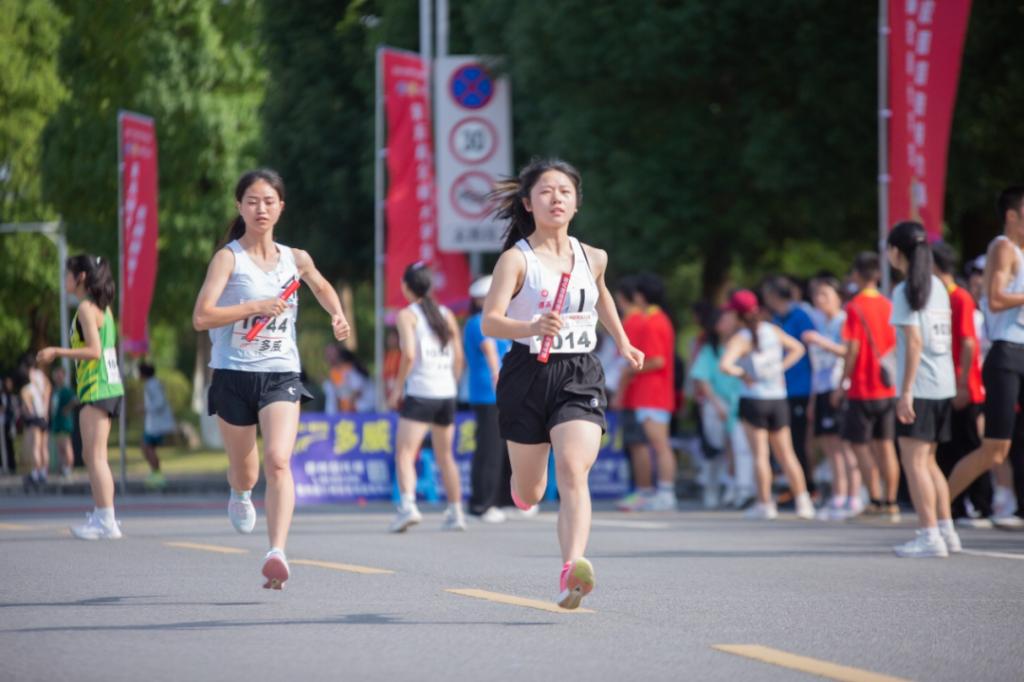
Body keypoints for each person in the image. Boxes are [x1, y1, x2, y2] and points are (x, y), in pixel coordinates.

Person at [482, 158, 644, 610]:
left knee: (573, 469)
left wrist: (623, 341)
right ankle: (521, 490)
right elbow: (491, 322)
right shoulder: (516, 260)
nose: (556, 198)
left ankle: (573, 567)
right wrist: (531, 326)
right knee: (532, 491)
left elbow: (601, 294)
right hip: (526, 373)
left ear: (576, 203)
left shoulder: (594, 257)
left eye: (565, 192)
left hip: (579, 373)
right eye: (546, 191)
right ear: (528, 203)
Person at [192, 169, 351, 589]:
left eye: (268, 201)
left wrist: (337, 314)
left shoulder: (295, 258)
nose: (260, 209)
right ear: (239, 206)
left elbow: (321, 287)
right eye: (252, 201)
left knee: (279, 460)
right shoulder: (228, 259)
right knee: (245, 471)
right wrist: (254, 306)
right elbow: (202, 317)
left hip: (281, 373)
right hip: (233, 374)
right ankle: (241, 492)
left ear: (281, 207)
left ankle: (276, 551)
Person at [947, 187, 1024, 520]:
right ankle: (936, 513)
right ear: (1012, 215)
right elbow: (995, 298)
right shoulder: (1003, 247)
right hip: (1007, 353)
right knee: (995, 449)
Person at [36, 254, 125, 539]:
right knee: (93, 455)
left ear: (81, 277)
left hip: (98, 388)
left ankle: (106, 520)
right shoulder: (102, 308)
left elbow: (94, 351)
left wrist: (56, 351)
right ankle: (103, 515)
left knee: (95, 457)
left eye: (68, 274)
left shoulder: (87, 308)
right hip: (105, 387)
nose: (65, 279)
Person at [887, 222, 961, 557]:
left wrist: (905, 392)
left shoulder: (905, 290)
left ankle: (929, 535)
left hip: (919, 386)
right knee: (929, 462)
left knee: (915, 463)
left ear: (895, 252)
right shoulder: (938, 286)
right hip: (943, 384)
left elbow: (914, 342)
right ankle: (946, 531)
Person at [719, 289, 815, 520]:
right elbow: (799, 348)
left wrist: (743, 374)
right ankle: (803, 501)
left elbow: (725, 365)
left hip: (754, 400)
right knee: (787, 454)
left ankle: (765, 504)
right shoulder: (772, 330)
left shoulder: (741, 338)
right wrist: (780, 368)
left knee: (760, 455)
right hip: (778, 399)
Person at [387, 262, 466, 533]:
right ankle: (456, 512)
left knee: (405, 453)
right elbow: (459, 357)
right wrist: (451, 383)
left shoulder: (407, 315)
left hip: (421, 391)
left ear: (406, 286)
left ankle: (408, 506)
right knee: (446, 456)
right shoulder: (446, 314)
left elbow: (409, 354)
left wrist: (398, 389)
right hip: (446, 392)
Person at [930, 243, 995, 528]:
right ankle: (955, 506)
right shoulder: (939, 297)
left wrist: (963, 383)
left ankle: (981, 505)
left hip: (963, 384)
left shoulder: (960, 297)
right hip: (944, 383)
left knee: (970, 446)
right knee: (948, 447)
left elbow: (969, 342)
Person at [834, 252, 901, 522]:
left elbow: (852, 348)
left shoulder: (854, 306)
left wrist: (843, 381)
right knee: (886, 446)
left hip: (862, 386)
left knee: (860, 446)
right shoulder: (889, 305)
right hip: (887, 385)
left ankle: (874, 499)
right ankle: (891, 501)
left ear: (857, 275)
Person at [615, 273, 678, 511]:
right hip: (647, 393)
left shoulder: (653, 321)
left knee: (657, 445)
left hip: (652, 394)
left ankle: (664, 493)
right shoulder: (656, 319)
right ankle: (649, 492)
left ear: (641, 296)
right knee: (642, 445)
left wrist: (629, 370)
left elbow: (657, 360)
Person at [802, 276, 863, 520]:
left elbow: (849, 352)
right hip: (821, 388)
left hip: (840, 386)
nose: (819, 299)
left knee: (845, 445)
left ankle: (853, 496)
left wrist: (821, 342)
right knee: (829, 446)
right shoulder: (820, 323)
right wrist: (812, 399)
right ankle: (838, 495)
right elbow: (817, 367)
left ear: (838, 297)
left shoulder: (843, 321)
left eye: (825, 294)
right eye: (817, 295)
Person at [464, 275, 516, 522]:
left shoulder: (497, 322)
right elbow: (490, 352)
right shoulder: (478, 322)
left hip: (502, 392)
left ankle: (504, 499)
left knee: (504, 448)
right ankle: (482, 504)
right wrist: (498, 377)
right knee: (490, 450)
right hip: (488, 394)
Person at [689, 307, 753, 509]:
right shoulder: (710, 349)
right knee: (715, 447)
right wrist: (716, 405)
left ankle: (739, 487)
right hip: (717, 403)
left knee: (739, 447)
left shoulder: (745, 344)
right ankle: (712, 487)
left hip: (740, 402)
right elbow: (702, 378)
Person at [762, 276, 817, 500]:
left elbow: (810, 352)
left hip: (801, 387)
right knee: (786, 443)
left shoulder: (801, 316)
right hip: (783, 389)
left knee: (799, 441)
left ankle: (808, 487)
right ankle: (794, 487)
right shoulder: (776, 319)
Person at [612, 275, 656, 511]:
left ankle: (643, 491)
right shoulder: (641, 320)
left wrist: (619, 393)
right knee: (637, 444)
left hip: (636, 393)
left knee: (638, 444)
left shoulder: (633, 322)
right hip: (637, 392)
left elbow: (628, 363)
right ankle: (641, 490)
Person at [140, 362, 175, 490]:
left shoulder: (151, 385)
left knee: (146, 447)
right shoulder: (153, 383)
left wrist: (145, 408)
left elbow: (159, 402)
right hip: (154, 424)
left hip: (156, 426)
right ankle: (156, 473)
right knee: (148, 448)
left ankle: (157, 474)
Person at [50, 365, 76, 481]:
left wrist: (67, 408)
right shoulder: (55, 391)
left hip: (65, 423)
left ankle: (68, 469)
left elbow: (75, 400)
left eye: (60, 375)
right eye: (56, 375)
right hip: (57, 423)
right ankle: (62, 469)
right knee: (59, 448)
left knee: (66, 446)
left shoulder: (67, 390)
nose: (58, 377)